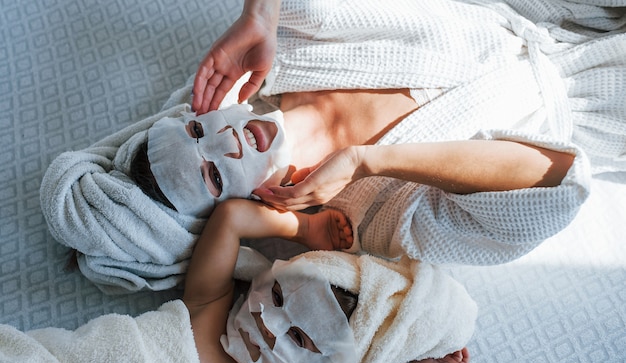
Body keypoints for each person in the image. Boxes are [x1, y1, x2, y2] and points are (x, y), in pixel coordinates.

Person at [40, 0, 625, 292]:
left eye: (197, 131)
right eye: (214, 178)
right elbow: (556, 177)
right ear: (234, 212)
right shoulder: (374, 219)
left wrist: (260, 14)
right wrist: (371, 160)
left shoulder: (286, 51)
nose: (227, 141)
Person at [1, 197, 476, 363]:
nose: (270, 328)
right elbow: (230, 218)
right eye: (276, 298)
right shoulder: (206, 307)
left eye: (299, 338)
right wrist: (302, 230)